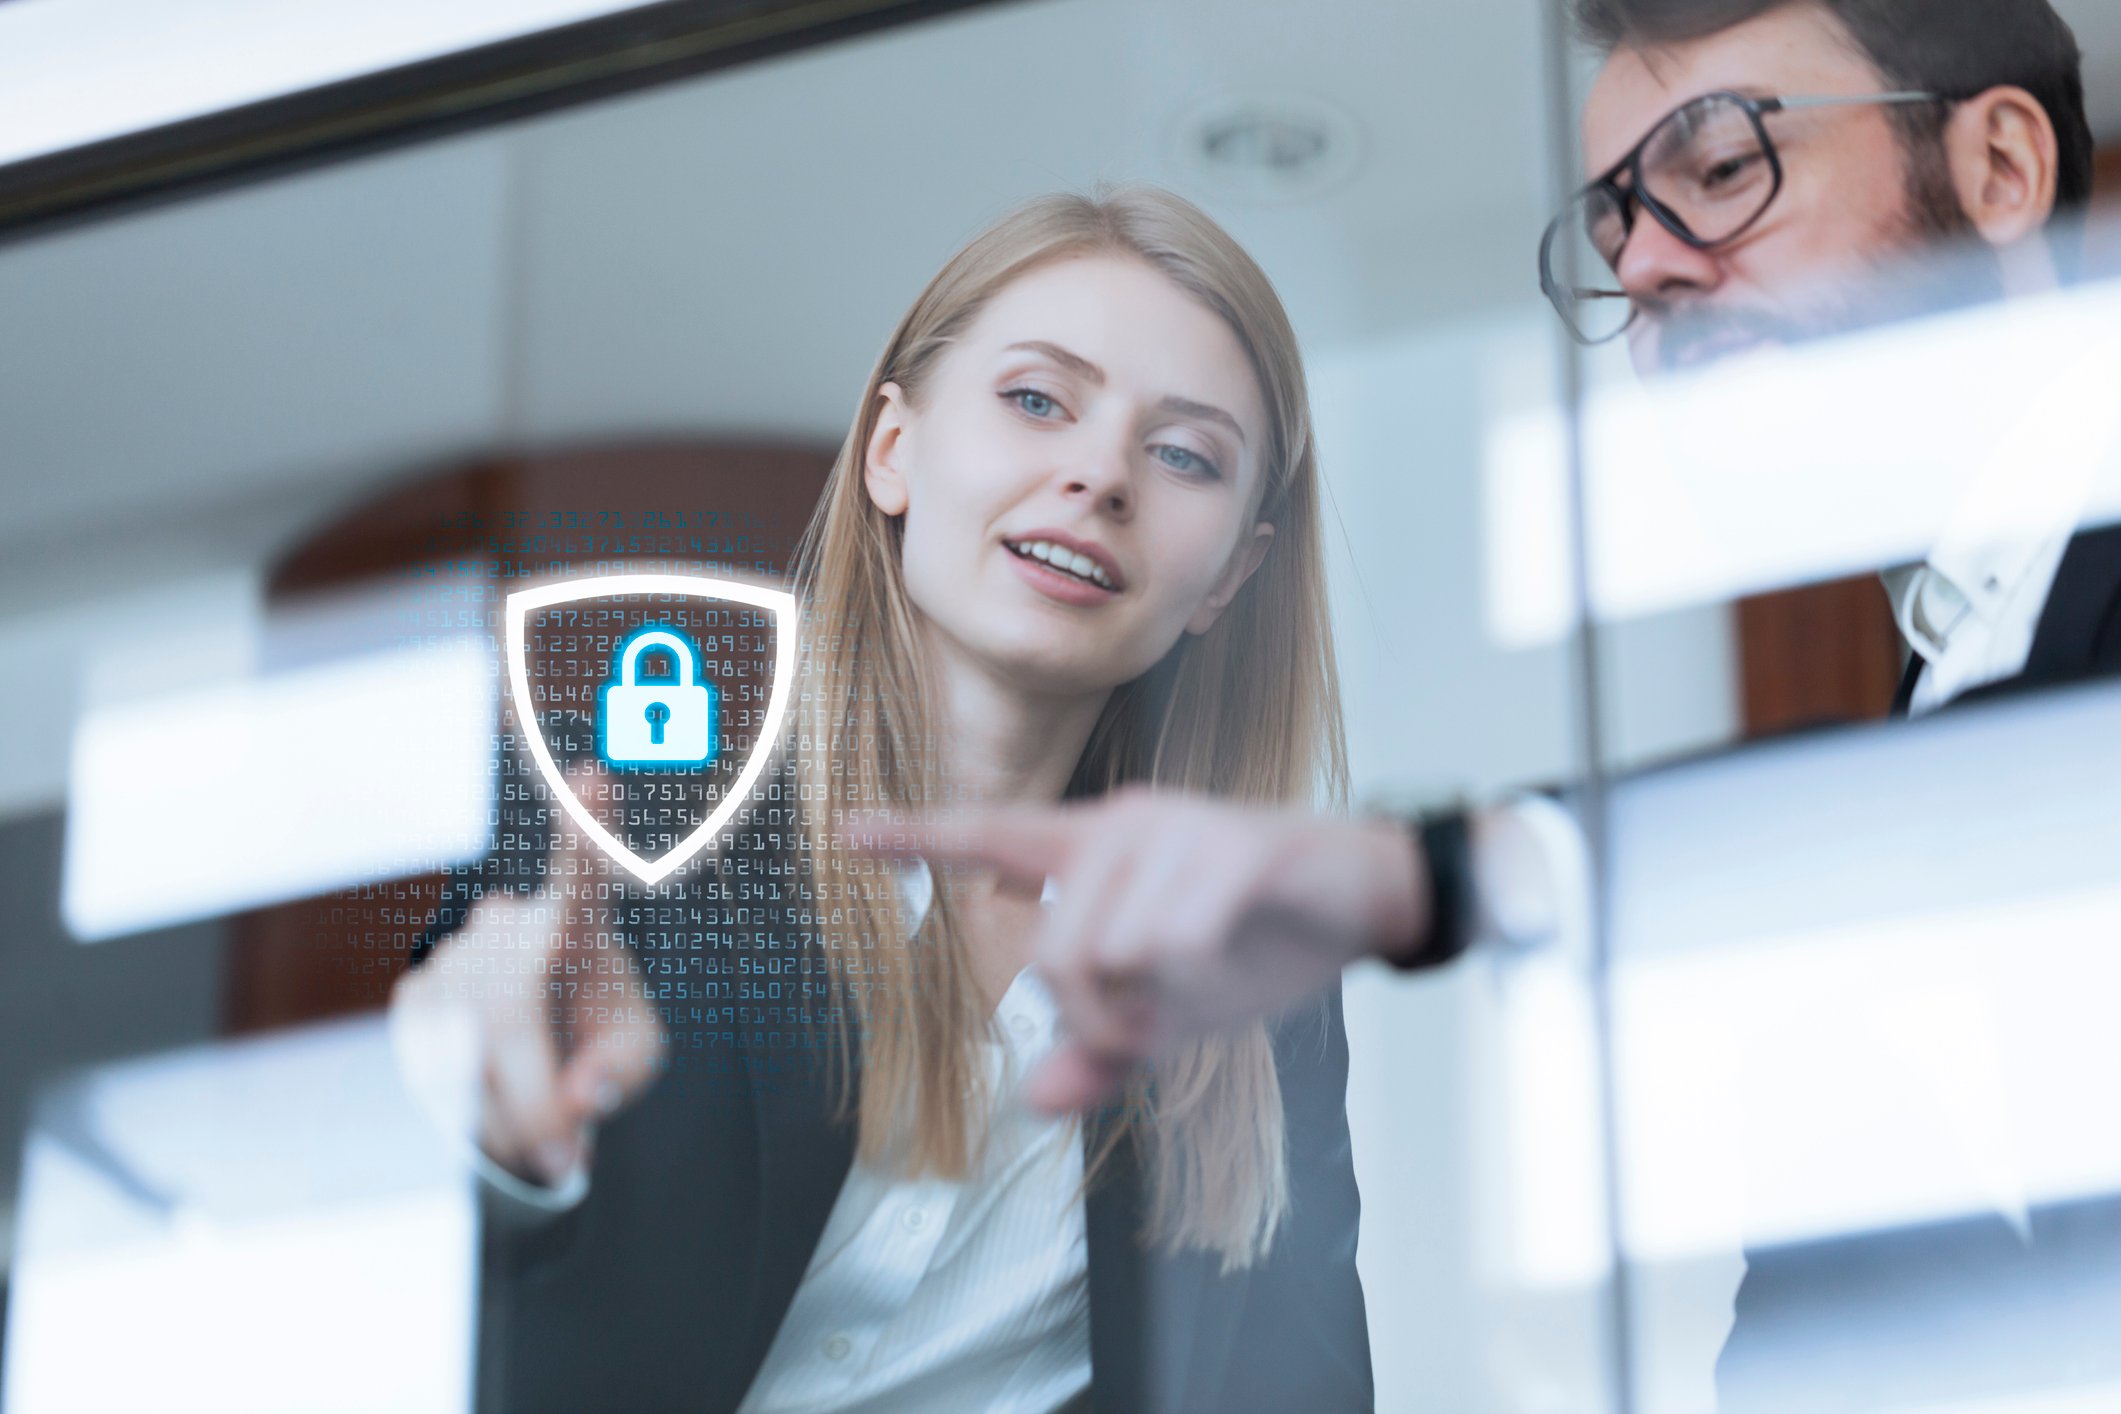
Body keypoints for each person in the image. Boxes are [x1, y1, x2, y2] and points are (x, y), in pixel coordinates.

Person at [391, 186, 1371, 1412]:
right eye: (1035, 400)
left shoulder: (1251, 972)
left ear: (1233, 569)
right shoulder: (628, 810)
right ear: (891, 450)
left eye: (1183, 455)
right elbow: (439, 1105)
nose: (1099, 474)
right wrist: (480, 1098)